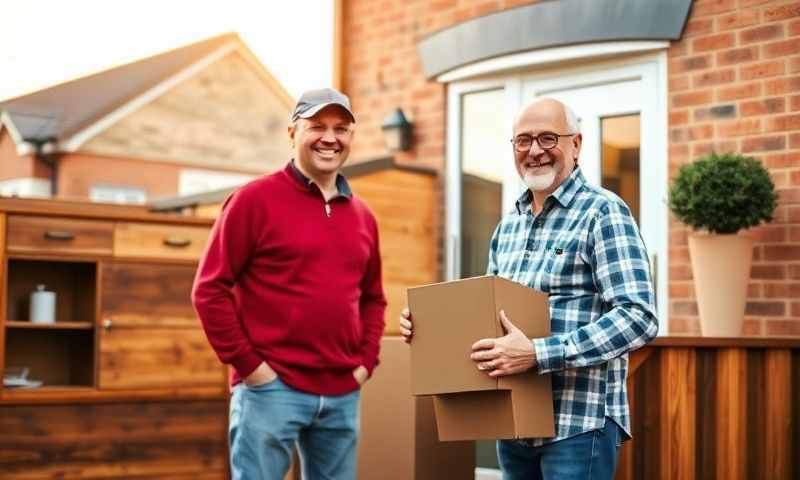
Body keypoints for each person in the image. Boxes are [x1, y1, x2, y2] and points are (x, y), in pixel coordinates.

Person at [399, 98, 657, 480]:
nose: (535, 150)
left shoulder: (603, 212)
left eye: (548, 138)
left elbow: (639, 317)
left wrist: (539, 353)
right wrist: (429, 329)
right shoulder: (508, 227)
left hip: (577, 423)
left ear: (576, 144)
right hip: (514, 423)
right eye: (523, 140)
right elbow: (486, 318)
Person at [192, 88, 386, 480]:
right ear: (292, 132)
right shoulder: (253, 200)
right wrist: (252, 369)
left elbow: (373, 300)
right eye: (317, 126)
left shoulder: (363, 216)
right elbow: (209, 290)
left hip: (342, 391)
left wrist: (364, 364)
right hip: (270, 390)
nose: (330, 138)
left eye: (342, 128)